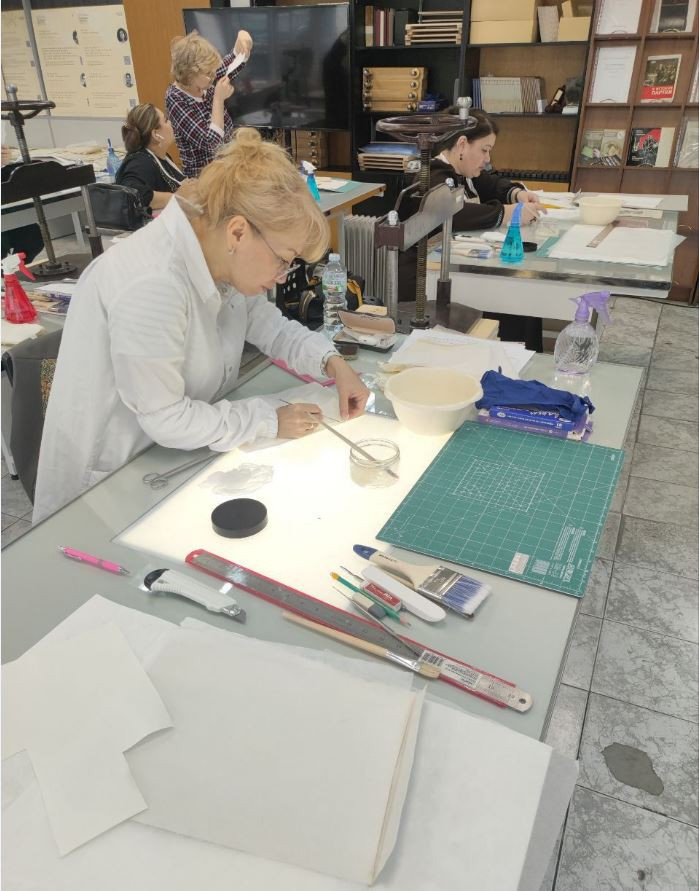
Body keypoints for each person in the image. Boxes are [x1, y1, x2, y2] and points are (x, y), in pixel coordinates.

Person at [33, 128, 369, 523]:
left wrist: (333, 363)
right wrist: (267, 419)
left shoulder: (217, 253)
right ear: (238, 231)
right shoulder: (152, 282)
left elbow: (270, 327)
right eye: (284, 259)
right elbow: (166, 417)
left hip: (168, 457)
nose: (283, 275)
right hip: (109, 480)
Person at [398, 108, 544, 351]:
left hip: (456, 268)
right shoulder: (433, 176)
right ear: (462, 144)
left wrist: (517, 194)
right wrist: (507, 213)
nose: (487, 159)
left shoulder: (465, 173)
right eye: (484, 150)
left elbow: (493, 184)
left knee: (526, 300)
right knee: (517, 302)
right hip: (425, 279)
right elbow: (453, 213)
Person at [166, 29, 253, 178]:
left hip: (227, 169)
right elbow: (212, 144)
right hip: (204, 179)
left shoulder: (204, 80)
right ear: (189, 74)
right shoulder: (175, 99)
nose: (213, 76)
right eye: (208, 73)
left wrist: (241, 43)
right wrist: (218, 99)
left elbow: (231, 65)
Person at [116, 103, 186, 211]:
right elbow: (132, 194)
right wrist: (179, 197)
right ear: (156, 134)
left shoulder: (163, 156)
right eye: (166, 120)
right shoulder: (140, 163)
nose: (171, 123)